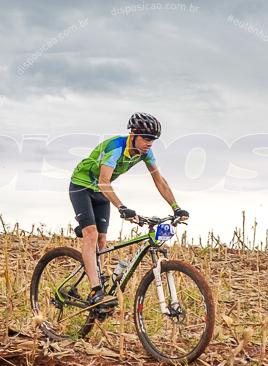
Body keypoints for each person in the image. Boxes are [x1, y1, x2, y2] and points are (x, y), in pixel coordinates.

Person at [69, 113, 189, 305]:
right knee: (91, 233)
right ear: (133, 134)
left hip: (101, 191)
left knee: (102, 239)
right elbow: (103, 181)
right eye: (146, 138)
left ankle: (99, 278)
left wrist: (176, 208)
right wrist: (122, 207)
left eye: (153, 140)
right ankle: (95, 290)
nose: (149, 143)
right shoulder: (116, 148)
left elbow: (159, 180)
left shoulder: (145, 153)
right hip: (83, 186)